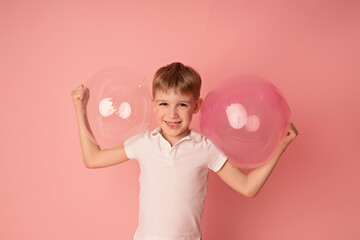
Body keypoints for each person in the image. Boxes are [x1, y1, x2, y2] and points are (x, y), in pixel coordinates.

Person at [71, 62, 298, 240]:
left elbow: (248, 187)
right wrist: (79, 110)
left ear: (196, 106)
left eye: (182, 104)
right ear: (152, 104)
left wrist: (281, 145)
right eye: (164, 104)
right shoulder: (143, 143)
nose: (172, 114)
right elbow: (93, 158)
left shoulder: (205, 147)